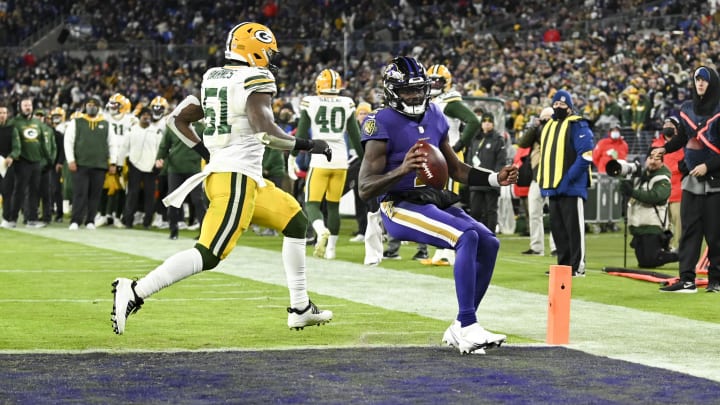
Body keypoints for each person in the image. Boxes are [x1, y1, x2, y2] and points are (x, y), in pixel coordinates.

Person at [111, 22, 333, 335]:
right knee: (209, 254)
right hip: (236, 180)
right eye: (267, 51)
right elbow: (267, 134)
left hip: (238, 178)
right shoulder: (256, 78)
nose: (269, 57)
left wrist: (206, 151)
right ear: (252, 48)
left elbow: (178, 119)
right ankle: (134, 292)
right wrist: (310, 145)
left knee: (295, 221)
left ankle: (300, 307)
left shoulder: (214, 76)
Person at [358, 56, 518, 354]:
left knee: (489, 242)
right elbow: (365, 187)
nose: (415, 96)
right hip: (398, 204)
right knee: (465, 236)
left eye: (419, 89)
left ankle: (461, 326)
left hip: (432, 199)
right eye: (407, 91)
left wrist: (496, 178)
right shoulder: (379, 121)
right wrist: (401, 170)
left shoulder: (435, 114)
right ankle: (469, 326)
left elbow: (457, 169)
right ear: (392, 91)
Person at [658, 66, 720, 293]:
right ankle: (686, 279)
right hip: (693, 181)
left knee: (715, 234)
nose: (700, 84)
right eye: (697, 80)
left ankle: (716, 280)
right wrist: (663, 149)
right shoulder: (687, 109)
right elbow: (682, 138)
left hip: (716, 182)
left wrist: (707, 165)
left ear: (712, 83)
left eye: (704, 80)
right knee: (689, 231)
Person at [294, 68, 363, 260]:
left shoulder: (311, 102)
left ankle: (320, 229)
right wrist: (364, 160)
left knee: (311, 203)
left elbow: (301, 134)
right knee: (334, 206)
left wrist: (292, 156)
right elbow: (355, 136)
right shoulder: (347, 102)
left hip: (320, 157)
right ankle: (331, 250)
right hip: (341, 160)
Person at [537, 90, 594, 277]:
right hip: (553, 188)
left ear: (570, 107)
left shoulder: (578, 125)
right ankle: (563, 266)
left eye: (562, 105)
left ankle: (578, 267)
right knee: (558, 230)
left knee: (574, 230)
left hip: (572, 187)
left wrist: (567, 179)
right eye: (555, 104)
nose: (558, 107)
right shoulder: (549, 126)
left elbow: (585, 156)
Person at [64, 96, 119, 230]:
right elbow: (68, 141)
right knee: (79, 193)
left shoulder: (106, 124)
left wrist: (113, 162)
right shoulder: (76, 122)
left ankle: (90, 220)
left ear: (99, 107)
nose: (91, 107)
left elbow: (112, 144)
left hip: (99, 165)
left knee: (95, 195)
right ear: (85, 106)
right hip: (80, 164)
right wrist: (70, 159)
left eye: (94, 105)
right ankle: (75, 220)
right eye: (89, 105)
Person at [619, 148, 678, 268]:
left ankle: (681, 255)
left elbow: (656, 197)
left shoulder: (663, 179)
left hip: (653, 225)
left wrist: (632, 192)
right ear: (646, 160)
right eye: (650, 158)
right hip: (637, 225)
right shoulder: (640, 176)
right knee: (644, 263)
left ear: (662, 162)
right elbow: (624, 190)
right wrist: (623, 180)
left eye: (657, 159)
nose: (653, 162)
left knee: (651, 260)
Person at [155, 110, 206, 240]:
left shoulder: (201, 128)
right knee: (173, 200)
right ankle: (173, 231)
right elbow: (164, 145)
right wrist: (160, 157)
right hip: (175, 169)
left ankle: (204, 233)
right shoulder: (173, 127)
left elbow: (209, 146)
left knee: (198, 201)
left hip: (194, 169)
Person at [516, 106, 556, 256]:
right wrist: (535, 126)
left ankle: (556, 246)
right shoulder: (536, 130)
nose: (546, 121)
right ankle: (536, 247)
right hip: (537, 175)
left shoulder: (559, 130)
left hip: (553, 177)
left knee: (554, 213)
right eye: (544, 118)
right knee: (533, 212)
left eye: (549, 118)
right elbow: (522, 143)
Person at [7, 96, 50, 228]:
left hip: (36, 161)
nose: (27, 107)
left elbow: (42, 141)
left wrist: (48, 158)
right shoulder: (14, 122)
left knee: (34, 191)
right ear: (20, 107)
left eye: (29, 105)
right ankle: (12, 219)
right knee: (19, 191)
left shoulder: (38, 123)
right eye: (25, 105)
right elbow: (8, 140)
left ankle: (32, 219)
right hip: (22, 162)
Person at [119, 108, 163, 229]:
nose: (146, 117)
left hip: (151, 167)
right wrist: (119, 163)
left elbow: (161, 149)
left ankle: (147, 222)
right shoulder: (131, 130)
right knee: (132, 194)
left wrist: (159, 163)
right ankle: (128, 220)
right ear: (139, 116)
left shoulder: (156, 132)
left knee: (150, 195)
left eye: (148, 115)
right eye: (144, 114)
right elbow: (124, 148)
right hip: (134, 165)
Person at [465, 112, 507, 234]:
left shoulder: (498, 139)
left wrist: (497, 178)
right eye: (484, 121)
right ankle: (475, 235)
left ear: (493, 123)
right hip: (476, 181)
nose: (487, 123)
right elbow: (469, 158)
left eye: (489, 121)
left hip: (491, 181)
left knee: (490, 211)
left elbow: (501, 161)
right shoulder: (475, 139)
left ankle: (490, 236)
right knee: (475, 211)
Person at [651, 116, 684, 251]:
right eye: (665, 124)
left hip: (678, 189)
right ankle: (665, 247)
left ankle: (679, 247)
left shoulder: (682, 144)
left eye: (670, 124)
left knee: (678, 222)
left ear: (676, 128)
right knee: (662, 222)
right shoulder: (656, 144)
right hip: (661, 190)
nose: (667, 126)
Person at [0, 104, 20, 228]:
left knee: (7, 193)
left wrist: (11, 156)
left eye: (4, 113)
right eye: (0, 113)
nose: (2, 115)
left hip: (6, 165)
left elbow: (17, 147)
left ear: (7, 115)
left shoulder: (12, 129)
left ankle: (6, 218)